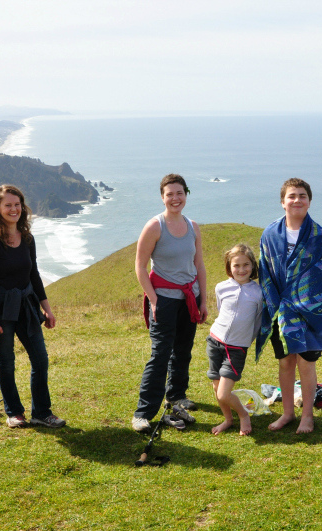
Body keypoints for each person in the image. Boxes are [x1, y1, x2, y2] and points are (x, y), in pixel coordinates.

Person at [0, 184, 66, 429]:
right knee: (6, 362)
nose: (14, 209)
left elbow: (34, 275)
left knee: (40, 359)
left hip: (26, 307)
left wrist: (47, 308)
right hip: (1, 312)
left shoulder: (27, 238)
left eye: (17, 204)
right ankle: (14, 413)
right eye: (8, 205)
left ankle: (41, 412)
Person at [257, 178, 322, 434]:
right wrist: (278, 305)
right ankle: (288, 413)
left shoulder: (321, 237)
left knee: (306, 364)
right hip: (280, 312)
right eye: (291, 196)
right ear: (283, 202)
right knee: (285, 363)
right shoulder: (269, 234)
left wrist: (299, 302)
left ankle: (308, 416)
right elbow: (265, 272)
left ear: (309, 201)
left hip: (310, 312)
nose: (297, 200)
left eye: (302, 196)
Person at [132, 174, 208, 433]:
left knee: (183, 350)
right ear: (162, 197)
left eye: (180, 193)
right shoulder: (155, 226)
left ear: (186, 194)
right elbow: (140, 267)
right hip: (163, 298)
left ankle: (176, 396)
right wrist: (153, 300)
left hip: (189, 297)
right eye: (170, 194)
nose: (175, 198)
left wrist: (203, 299)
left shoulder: (193, 225)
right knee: (160, 355)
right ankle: (143, 413)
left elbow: (198, 265)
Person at [207, 243, 264, 436]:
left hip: (237, 348)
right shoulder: (221, 287)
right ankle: (227, 419)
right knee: (217, 389)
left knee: (224, 393)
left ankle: (243, 415)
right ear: (229, 267)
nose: (241, 269)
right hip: (215, 341)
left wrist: (247, 341)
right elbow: (220, 311)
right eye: (236, 265)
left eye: (246, 264)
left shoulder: (258, 293)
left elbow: (257, 322)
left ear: (253, 266)